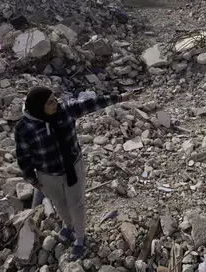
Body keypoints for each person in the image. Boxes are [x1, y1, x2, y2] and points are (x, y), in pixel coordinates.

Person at [14, 86, 126, 261]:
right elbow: (23, 156)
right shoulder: (24, 128)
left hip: (73, 167)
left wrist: (117, 97)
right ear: (38, 107)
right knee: (60, 204)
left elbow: (90, 103)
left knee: (77, 204)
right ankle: (69, 225)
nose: (56, 103)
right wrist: (32, 179)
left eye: (55, 98)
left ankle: (80, 239)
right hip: (47, 175)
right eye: (50, 102)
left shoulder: (64, 110)